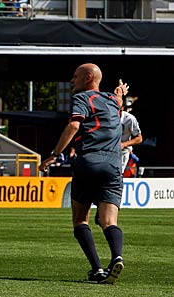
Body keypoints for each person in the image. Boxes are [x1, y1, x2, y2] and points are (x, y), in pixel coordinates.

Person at [39, 63, 127, 284]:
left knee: (80, 220)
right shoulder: (112, 101)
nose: (72, 80)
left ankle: (97, 269)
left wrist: (54, 154)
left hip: (89, 161)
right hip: (114, 164)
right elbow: (117, 108)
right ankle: (117, 256)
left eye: (75, 76)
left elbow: (75, 125)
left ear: (88, 77)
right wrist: (120, 96)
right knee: (109, 221)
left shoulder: (83, 98)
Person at [120, 107, 142, 174]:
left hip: (122, 152)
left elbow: (139, 139)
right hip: (106, 150)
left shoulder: (129, 119)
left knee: (116, 175)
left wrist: (124, 144)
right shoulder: (106, 116)